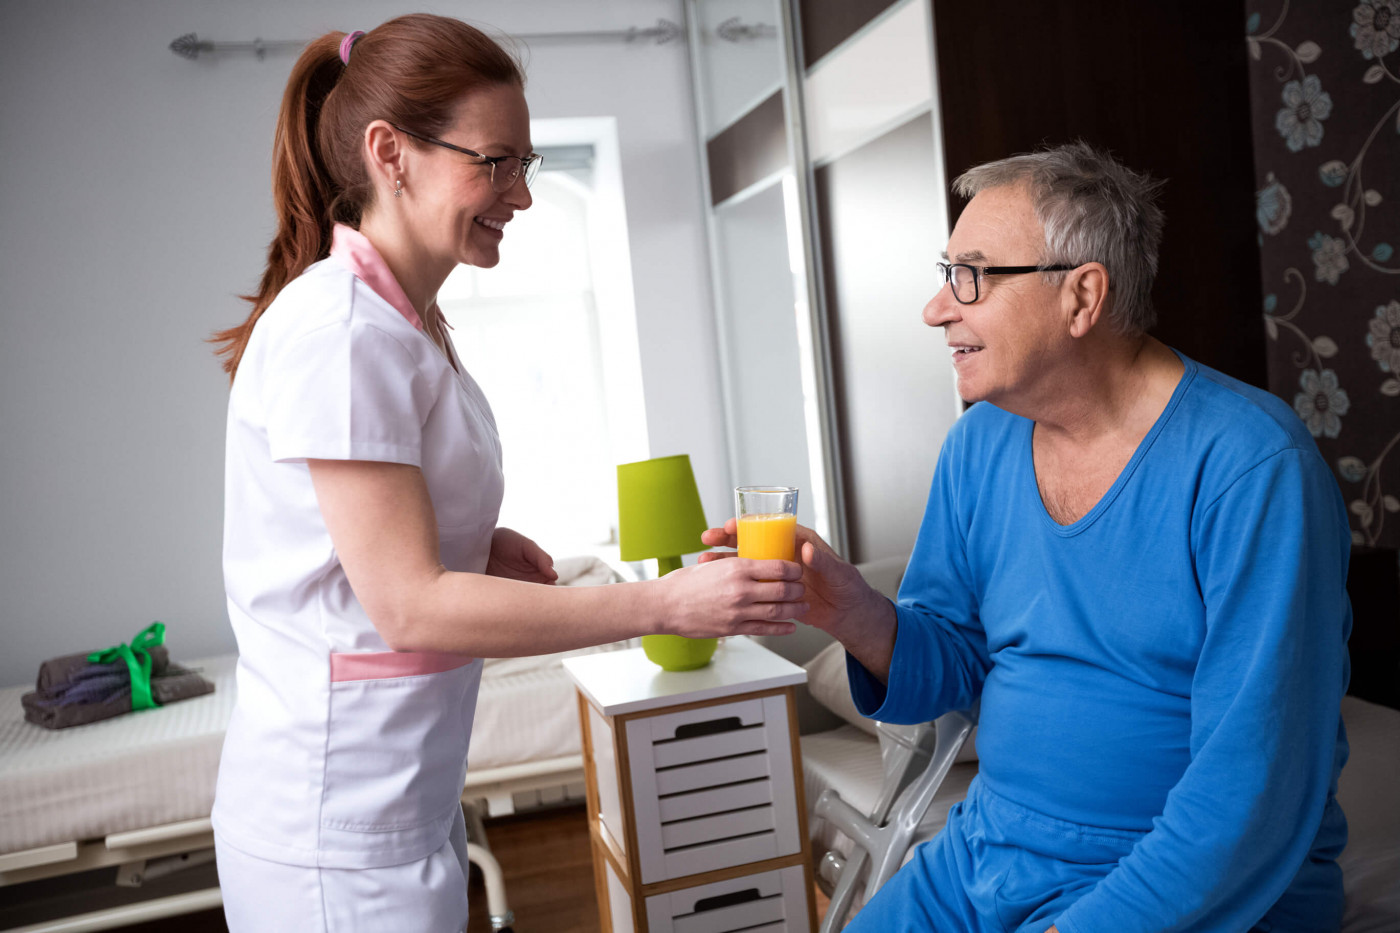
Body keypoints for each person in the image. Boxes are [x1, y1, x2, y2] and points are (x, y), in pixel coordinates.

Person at [208, 15, 806, 932]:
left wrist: (470, 541)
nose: (519, 194)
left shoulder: (401, 323)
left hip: (398, 801)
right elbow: (408, 605)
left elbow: (357, 538)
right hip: (332, 830)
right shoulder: (341, 334)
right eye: (495, 162)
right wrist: (665, 606)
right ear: (390, 153)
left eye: (526, 164)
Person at [704, 142, 1352, 932]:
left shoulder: (1250, 467)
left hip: (1182, 886)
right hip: (990, 851)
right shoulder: (979, 446)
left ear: (1082, 297)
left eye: (971, 276)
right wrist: (851, 610)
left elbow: (1252, 788)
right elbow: (953, 663)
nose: (937, 308)